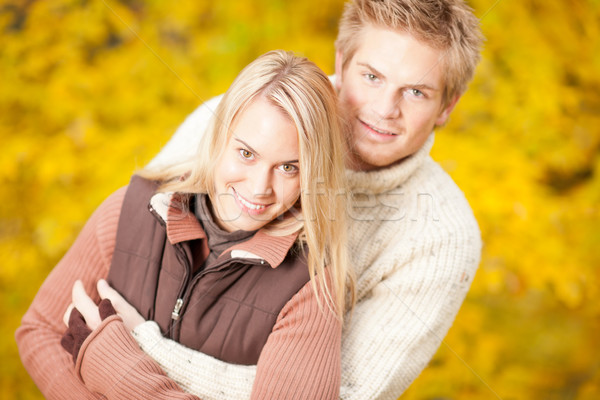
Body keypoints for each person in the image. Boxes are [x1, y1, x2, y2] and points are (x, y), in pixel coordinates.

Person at [144, 0, 485, 399]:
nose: (385, 109)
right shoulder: (233, 118)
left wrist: (136, 350)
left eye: (415, 91)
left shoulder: (443, 238)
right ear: (341, 62)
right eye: (372, 77)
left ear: (448, 105)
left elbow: (341, 393)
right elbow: (119, 250)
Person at [16, 50, 354, 399]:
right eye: (247, 154)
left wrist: (120, 369)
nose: (259, 188)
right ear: (219, 136)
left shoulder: (310, 286)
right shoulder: (131, 210)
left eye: (289, 168)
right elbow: (39, 330)